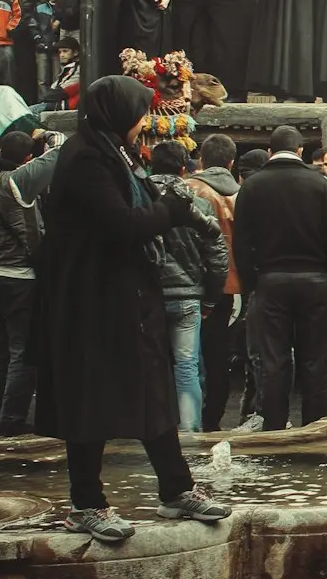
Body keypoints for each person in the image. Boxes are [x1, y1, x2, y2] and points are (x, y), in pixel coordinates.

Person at [33, 75, 231, 543]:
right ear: (116, 112)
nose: (145, 122)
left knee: (152, 393)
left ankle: (176, 490)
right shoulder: (85, 159)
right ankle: (86, 503)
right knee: (91, 399)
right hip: (90, 303)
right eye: (140, 112)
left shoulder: (110, 151)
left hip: (127, 298)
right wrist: (172, 209)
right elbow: (121, 226)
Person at [234, 124, 327, 431]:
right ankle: (315, 429)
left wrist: (250, 285)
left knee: (274, 361)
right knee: (314, 360)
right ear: (301, 151)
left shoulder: (253, 186)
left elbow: (241, 243)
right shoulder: (320, 184)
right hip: (315, 281)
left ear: (270, 152)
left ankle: (274, 429)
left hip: (269, 282)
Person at [0, 130, 59, 436]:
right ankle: (12, 421)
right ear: (25, 160)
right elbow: (57, 154)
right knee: (23, 352)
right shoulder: (16, 181)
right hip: (19, 277)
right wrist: (48, 135)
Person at [144, 141, 228, 433]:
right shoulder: (198, 204)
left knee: (149, 366)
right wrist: (212, 298)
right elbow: (217, 254)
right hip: (188, 296)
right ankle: (189, 432)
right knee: (187, 366)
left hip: (147, 296)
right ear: (184, 168)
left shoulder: (138, 199)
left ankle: (150, 430)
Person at [189, 134, 244, 432]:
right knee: (218, 355)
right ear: (231, 162)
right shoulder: (242, 195)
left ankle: (189, 418)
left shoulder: (190, 189)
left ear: (201, 160)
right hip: (230, 285)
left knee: (187, 356)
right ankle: (213, 419)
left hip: (192, 283)